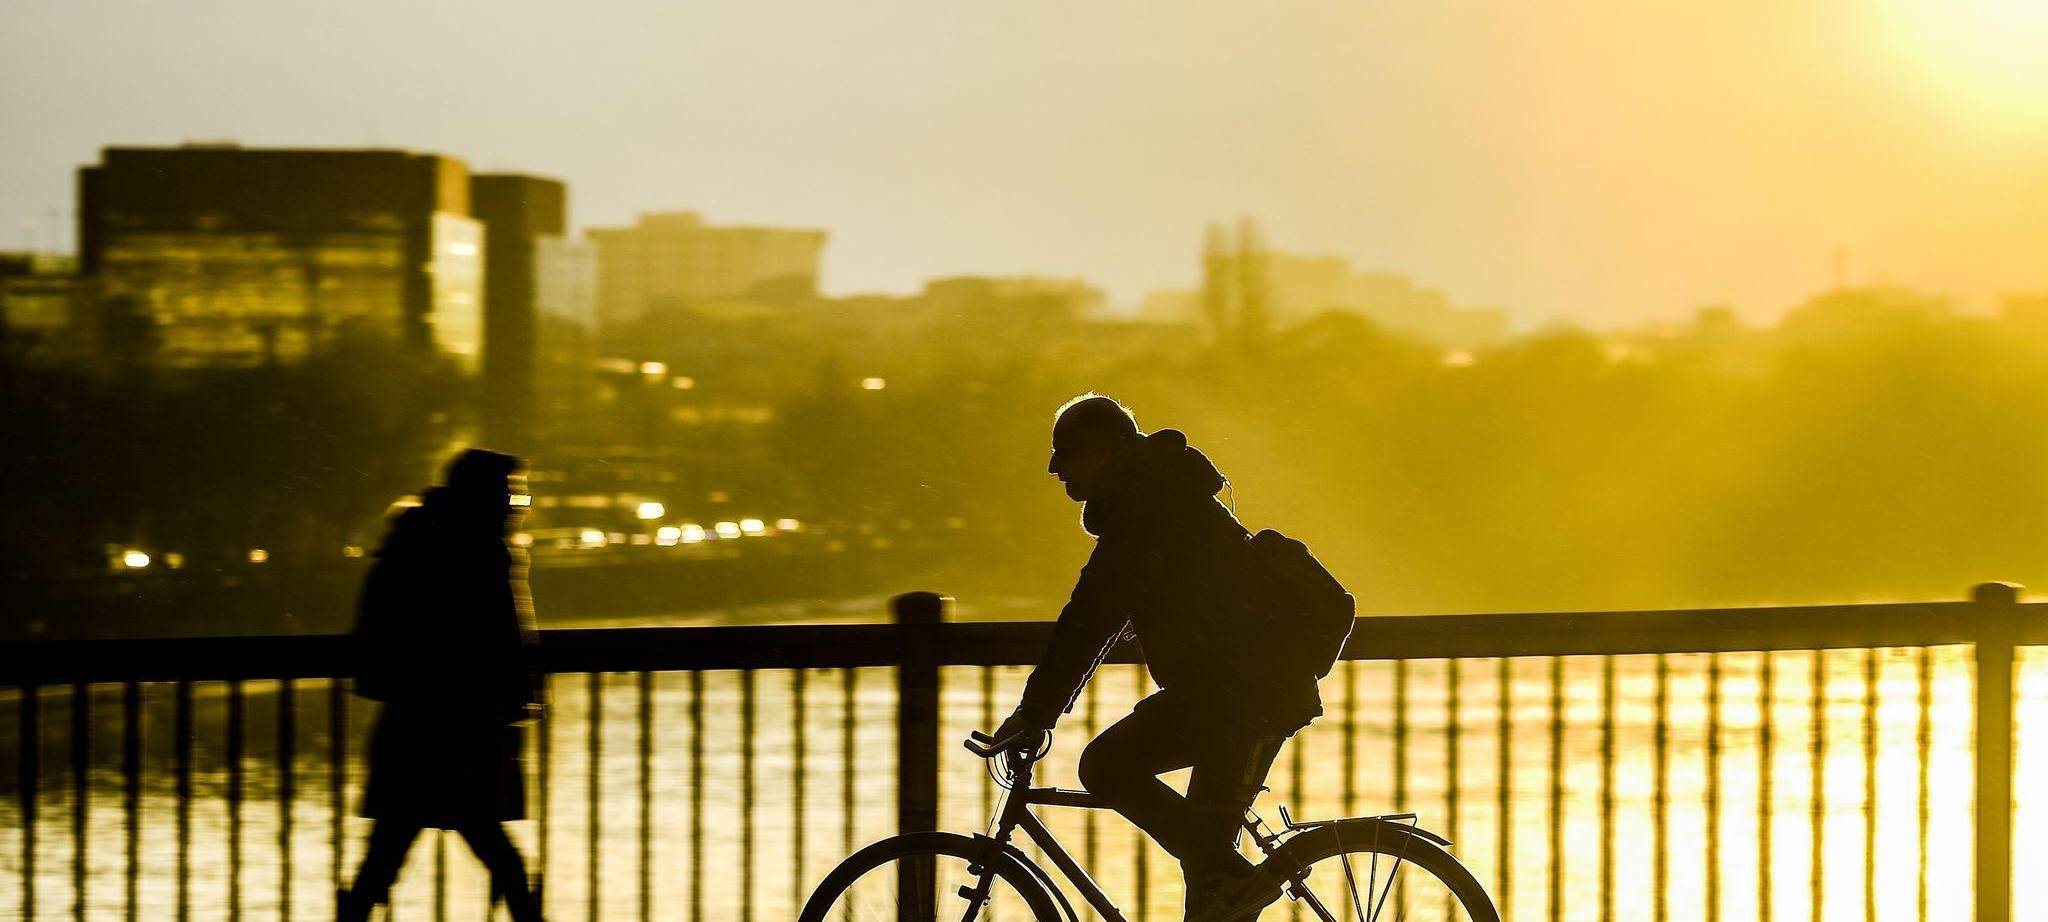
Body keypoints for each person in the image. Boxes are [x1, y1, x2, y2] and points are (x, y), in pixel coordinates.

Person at [992, 395, 1323, 922]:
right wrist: (1039, 712)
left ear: (1106, 452)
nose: (1055, 469)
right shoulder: (1160, 496)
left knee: (1108, 767)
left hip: (1246, 698)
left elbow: (1088, 621)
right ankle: (1232, 880)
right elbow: (1097, 619)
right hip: (1231, 693)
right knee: (1210, 887)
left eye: (1066, 454)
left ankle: (1239, 878)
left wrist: (1034, 715)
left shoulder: (1146, 515)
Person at [338, 449, 547, 922]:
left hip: (415, 720)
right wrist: (518, 694)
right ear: (486, 496)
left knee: (392, 843)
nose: (515, 504)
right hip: (464, 722)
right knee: (487, 840)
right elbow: (498, 636)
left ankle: (353, 913)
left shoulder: (414, 539)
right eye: (511, 493)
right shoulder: (480, 549)